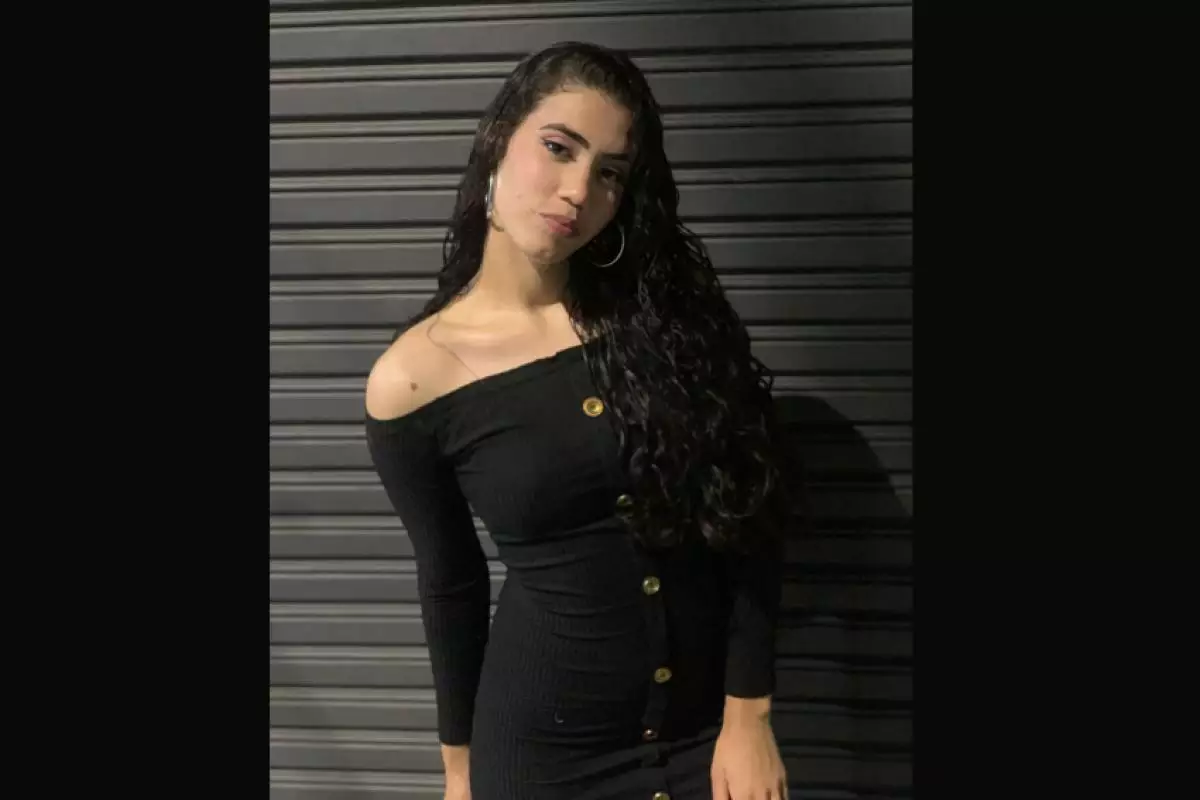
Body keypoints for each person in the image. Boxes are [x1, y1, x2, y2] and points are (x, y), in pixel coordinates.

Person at [364, 41, 794, 800]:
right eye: (559, 149)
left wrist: (749, 714)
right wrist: (459, 773)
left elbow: (752, 513)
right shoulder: (410, 381)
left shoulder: (664, 324)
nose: (577, 191)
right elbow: (451, 583)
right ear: (500, 137)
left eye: (610, 173)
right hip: (540, 758)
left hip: (706, 738)